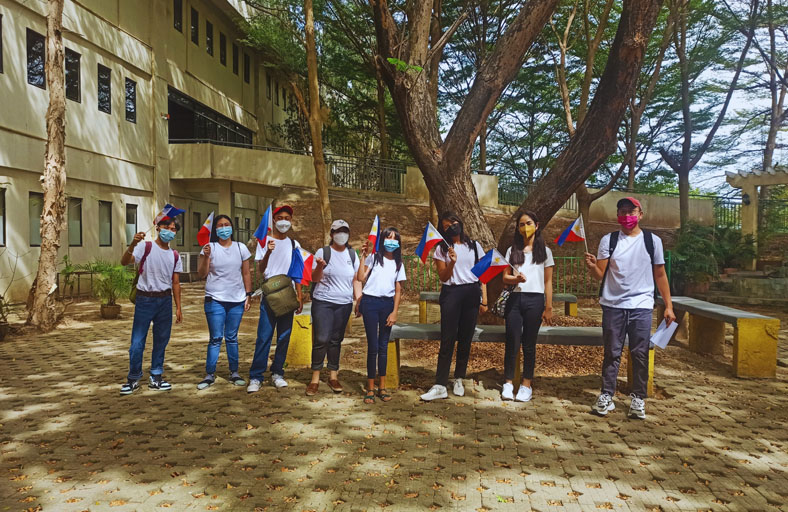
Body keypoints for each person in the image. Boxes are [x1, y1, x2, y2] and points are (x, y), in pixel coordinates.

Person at [584, 197, 675, 419]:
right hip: (613, 305)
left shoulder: (653, 241)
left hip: (641, 305)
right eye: (622, 212)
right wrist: (591, 267)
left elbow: (660, 274)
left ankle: (638, 399)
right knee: (612, 353)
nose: (627, 216)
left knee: (640, 353)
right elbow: (600, 274)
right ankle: (607, 395)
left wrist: (668, 306)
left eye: (631, 211)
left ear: (640, 214)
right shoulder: (610, 240)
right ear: (617, 216)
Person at [421, 212, 487, 401]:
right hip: (451, 293)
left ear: (460, 222)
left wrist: (485, 299)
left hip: (472, 293)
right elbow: (443, 277)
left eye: (453, 223)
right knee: (447, 338)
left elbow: (483, 275)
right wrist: (452, 262)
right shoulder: (441, 249)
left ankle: (459, 378)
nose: (451, 227)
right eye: (446, 226)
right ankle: (440, 384)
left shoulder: (474, 246)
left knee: (465, 338)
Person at [119, 217, 183, 395]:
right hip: (144, 299)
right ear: (158, 228)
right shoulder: (145, 247)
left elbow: (176, 283)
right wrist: (132, 244)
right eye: (166, 227)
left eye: (173, 229)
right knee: (137, 342)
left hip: (165, 301)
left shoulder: (175, 255)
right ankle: (133, 378)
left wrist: (178, 307)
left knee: (161, 340)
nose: (169, 231)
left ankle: (156, 376)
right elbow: (125, 262)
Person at [248, 205, 304, 393]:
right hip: (270, 295)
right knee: (264, 336)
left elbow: (297, 272)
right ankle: (256, 376)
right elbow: (261, 270)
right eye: (279, 217)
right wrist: (269, 252)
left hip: (287, 295)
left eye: (287, 218)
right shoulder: (265, 242)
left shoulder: (294, 244)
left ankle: (277, 372)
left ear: (291, 221)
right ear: (273, 221)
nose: (283, 221)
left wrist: (300, 295)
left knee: (284, 336)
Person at [501, 211, 554, 402]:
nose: (525, 228)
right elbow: (504, 277)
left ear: (537, 225)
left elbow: (548, 282)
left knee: (529, 344)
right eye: (521, 224)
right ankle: (508, 383)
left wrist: (548, 306)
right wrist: (514, 278)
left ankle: (526, 384)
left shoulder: (545, 252)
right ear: (518, 228)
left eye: (529, 223)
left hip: (536, 300)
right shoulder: (511, 250)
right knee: (512, 341)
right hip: (515, 299)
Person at [196, 215, 252, 390]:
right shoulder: (209, 247)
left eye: (227, 225)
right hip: (215, 299)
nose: (223, 228)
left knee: (232, 338)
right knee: (215, 338)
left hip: (237, 299)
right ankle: (209, 374)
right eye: (220, 225)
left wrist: (248, 294)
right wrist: (206, 257)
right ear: (215, 230)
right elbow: (201, 274)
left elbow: (246, 273)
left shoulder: (240, 247)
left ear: (232, 228)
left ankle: (234, 373)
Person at [307, 220, 359, 396]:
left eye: (345, 231)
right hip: (323, 302)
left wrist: (358, 299)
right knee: (321, 338)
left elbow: (357, 279)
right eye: (338, 231)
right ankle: (315, 378)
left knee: (336, 339)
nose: (341, 234)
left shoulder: (352, 254)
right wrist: (320, 266)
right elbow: (314, 278)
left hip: (344, 304)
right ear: (331, 234)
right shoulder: (324, 252)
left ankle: (333, 375)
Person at [356, 227, 406, 404]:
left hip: (387, 305)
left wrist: (394, 311)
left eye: (395, 239)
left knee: (384, 346)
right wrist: (363, 256)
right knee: (373, 346)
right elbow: (361, 278)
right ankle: (370, 388)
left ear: (398, 242)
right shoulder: (374, 258)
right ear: (382, 240)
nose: (391, 241)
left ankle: (382, 387)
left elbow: (398, 291)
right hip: (370, 303)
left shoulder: (399, 263)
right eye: (388, 238)